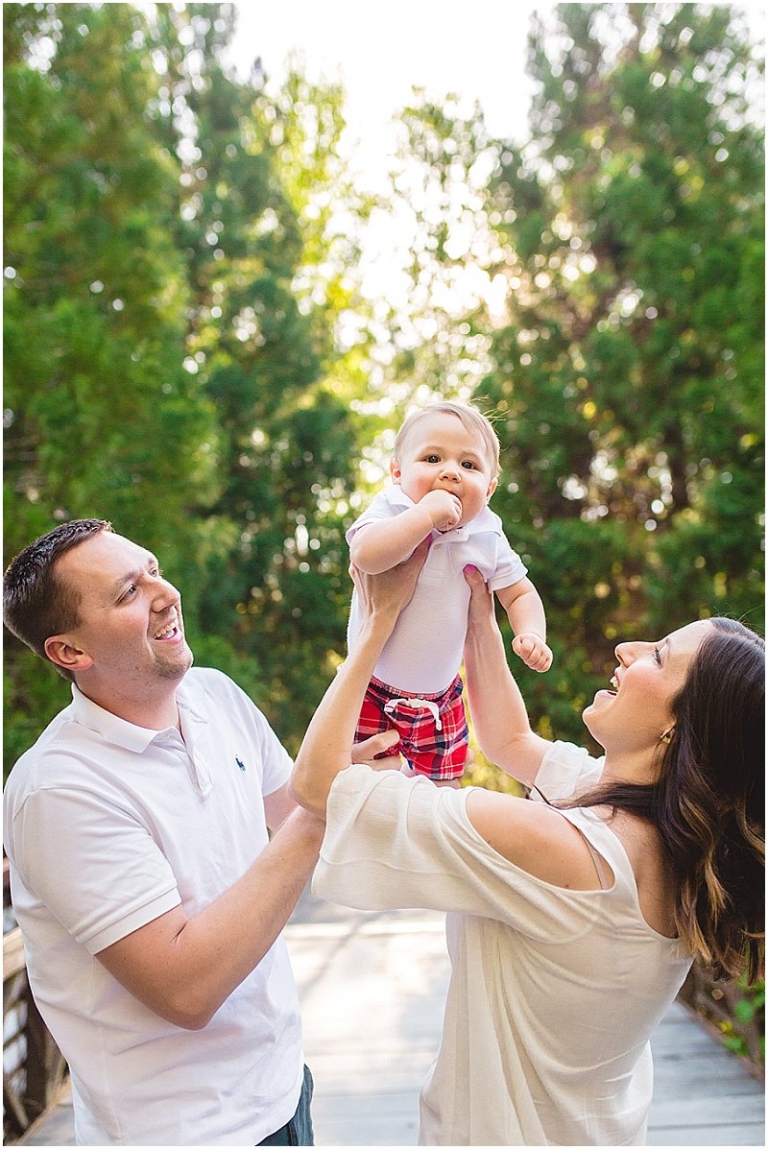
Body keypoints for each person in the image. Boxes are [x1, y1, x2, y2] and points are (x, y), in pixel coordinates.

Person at [290, 546, 765, 1146]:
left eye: (659, 655)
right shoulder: (661, 834)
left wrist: (377, 624)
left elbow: (317, 785)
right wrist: (477, 619)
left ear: (678, 728)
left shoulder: (561, 847)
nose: (629, 648)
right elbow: (510, 740)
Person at [2, 518, 382, 1147]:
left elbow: (297, 814)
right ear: (69, 652)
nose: (165, 593)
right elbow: (186, 989)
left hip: (284, 1089)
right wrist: (321, 808)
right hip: (181, 1132)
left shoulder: (215, 695)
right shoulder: (58, 790)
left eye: (152, 569)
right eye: (128, 592)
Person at [347, 401, 552, 783]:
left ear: (489, 489)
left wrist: (531, 633)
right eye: (432, 458)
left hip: (440, 700)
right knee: (362, 785)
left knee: (445, 790)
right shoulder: (393, 508)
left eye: (468, 465)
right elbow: (366, 556)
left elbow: (520, 593)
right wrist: (424, 516)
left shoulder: (487, 534)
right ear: (397, 472)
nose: (450, 472)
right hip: (368, 689)